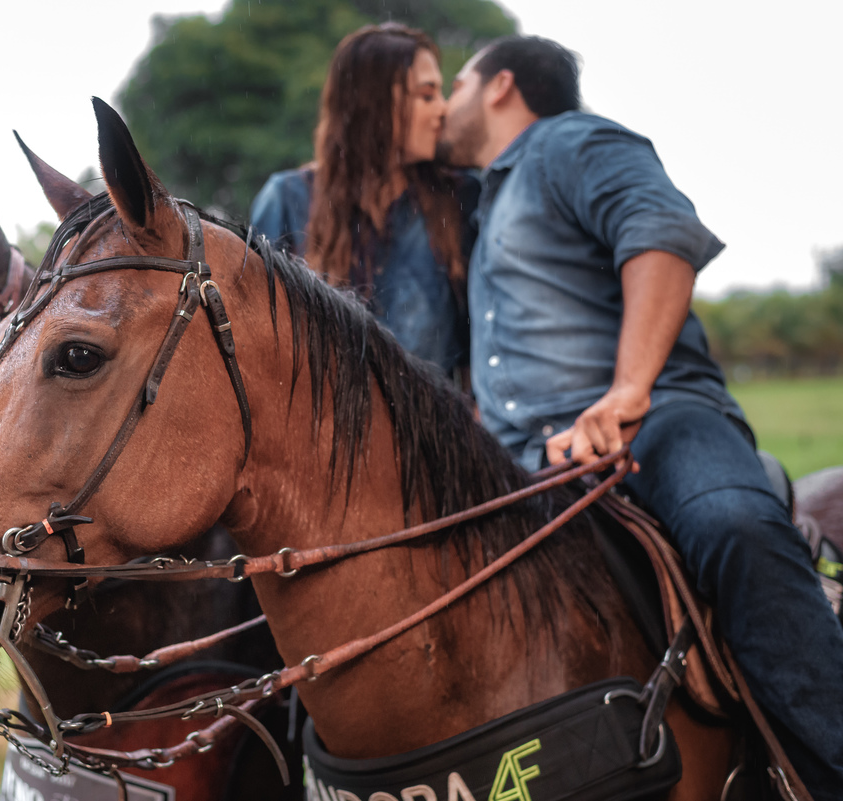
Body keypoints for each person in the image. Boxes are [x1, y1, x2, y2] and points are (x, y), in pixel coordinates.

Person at [438, 34, 843, 796]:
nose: (442, 106)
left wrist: (627, 391)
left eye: (453, 85)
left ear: (500, 86)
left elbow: (660, 233)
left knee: (734, 526)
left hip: (658, 421)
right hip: (530, 461)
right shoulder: (486, 201)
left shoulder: (572, 141)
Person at [249, 23, 477, 378]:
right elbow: (257, 336)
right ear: (375, 104)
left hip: (431, 414)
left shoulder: (460, 198)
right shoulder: (287, 199)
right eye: (427, 95)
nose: (443, 109)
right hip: (320, 412)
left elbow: (479, 338)